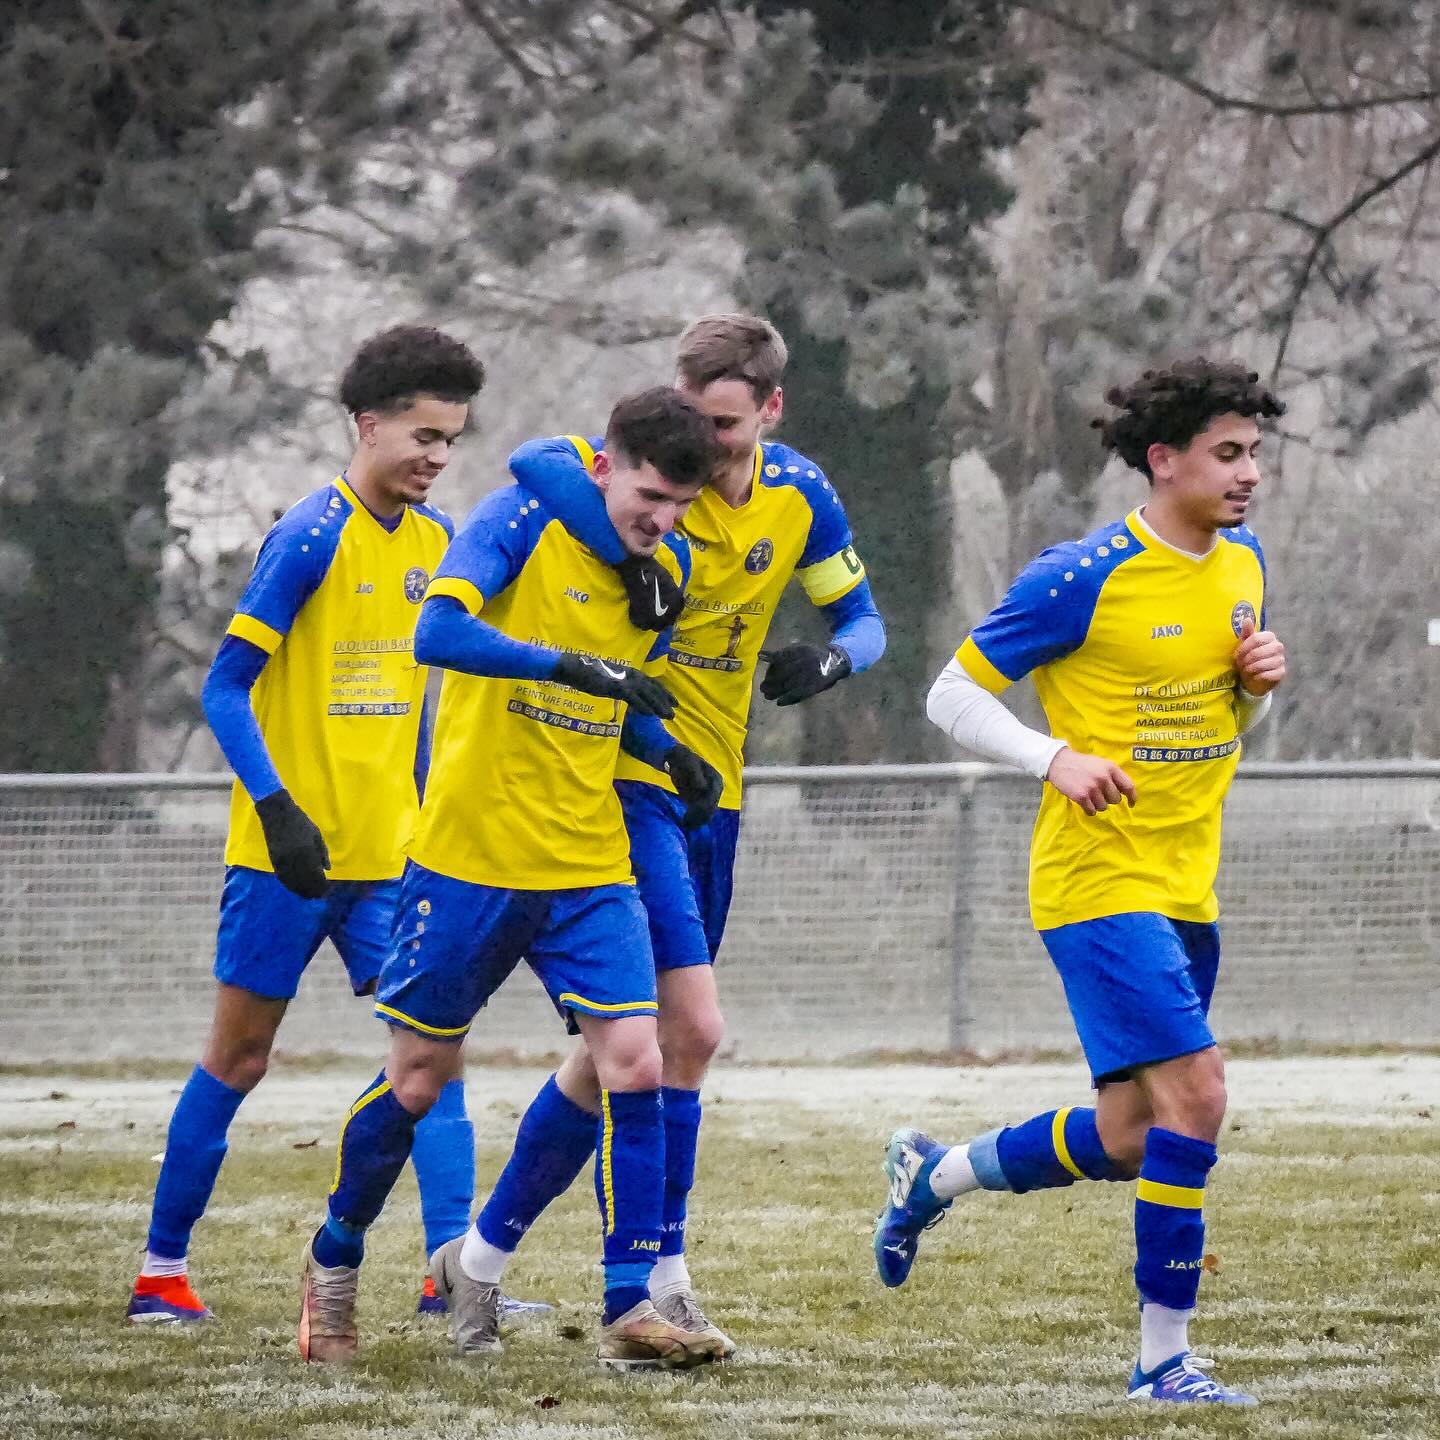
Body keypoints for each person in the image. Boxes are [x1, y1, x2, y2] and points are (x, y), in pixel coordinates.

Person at [461, 312, 886, 1357]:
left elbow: (866, 621)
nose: (705, 441)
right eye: (692, 416)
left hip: (715, 794)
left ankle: (478, 1261)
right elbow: (537, 459)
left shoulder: (800, 497)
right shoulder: (648, 489)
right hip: (628, 780)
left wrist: (834, 662)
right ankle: (657, 1282)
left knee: (622, 1053)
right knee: (689, 1030)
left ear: (772, 409)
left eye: (726, 424)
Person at [874, 359, 1287, 1406]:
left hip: (1187, 885)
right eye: (1228, 453)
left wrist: (1254, 694)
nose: (1249, 473)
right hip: (1098, 880)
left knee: (1130, 1136)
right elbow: (951, 695)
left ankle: (933, 1174)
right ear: (1164, 460)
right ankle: (1163, 1363)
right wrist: (1051, 757)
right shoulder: (1082, 576)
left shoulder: (1243, 564)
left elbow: (1223, 725)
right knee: (1200, 1093)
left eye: (1254, 453)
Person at [297, 386, 732, 1371]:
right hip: (468, 860)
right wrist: (571, 666)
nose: (662, 520)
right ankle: (335, 1254)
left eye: (680, 505)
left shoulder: (664, 567)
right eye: (649, 496)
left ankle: (629, 1304)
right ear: (604, 467)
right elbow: (437, 634)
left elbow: (622, 694)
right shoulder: (522, 517)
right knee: (418, 1080)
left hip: (587, 860)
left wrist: (669, 753)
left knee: (637, 1060)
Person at [127, 326, 485, 1325]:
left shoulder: (438, 545)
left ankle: (449, 1277)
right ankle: (160, 1275)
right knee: (240, 1057)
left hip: (390, 863)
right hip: (284, 862)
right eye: (423, 435)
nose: (437, 456)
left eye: (450, 440)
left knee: (432, 1060)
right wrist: (276, 809)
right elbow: (225, 687)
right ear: (367, 425)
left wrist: (431, 814)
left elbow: (426, 704)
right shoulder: (309, 536)